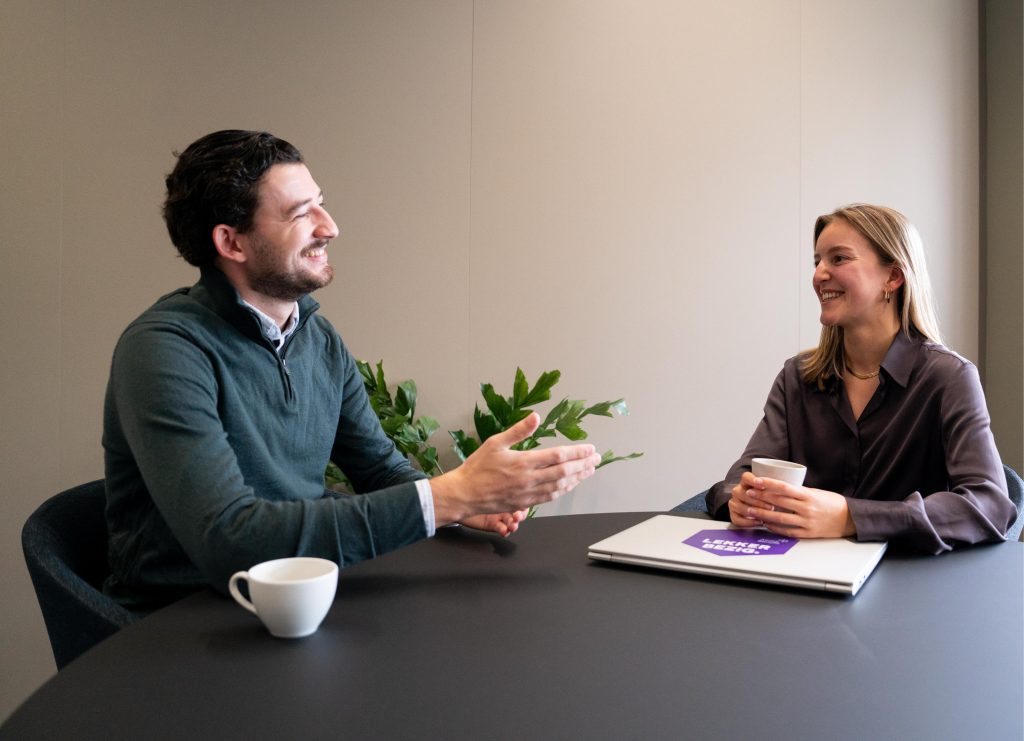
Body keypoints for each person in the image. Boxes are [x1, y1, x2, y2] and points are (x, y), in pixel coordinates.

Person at [103, 130, 602, 611]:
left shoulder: (317, 339)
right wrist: (445, 498)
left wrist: (467, 504)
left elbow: (379, 468)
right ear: (232, 242)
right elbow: (230, 542)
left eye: (320, 201)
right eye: (301, 213)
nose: (329, 225)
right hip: (182, 623)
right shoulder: (164, 350)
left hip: (298, 597)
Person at [705, 204, 1017, 554]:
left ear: (893, 277)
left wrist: (850, 517)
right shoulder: (796, 377)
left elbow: (988, 506)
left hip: (909, 586)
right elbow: (739, 478)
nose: (819, 274)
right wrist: (738, 500)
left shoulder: (949, 378)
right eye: (817, 261)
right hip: (800, 579)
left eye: (838, 259)